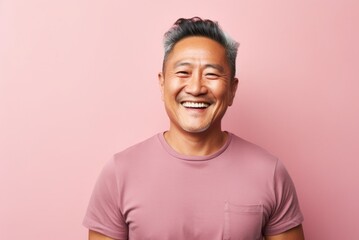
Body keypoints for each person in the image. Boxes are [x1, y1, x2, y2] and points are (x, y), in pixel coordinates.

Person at [83, 17, 305, 240]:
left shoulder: (269, 172)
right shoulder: (120, 173)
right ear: (162, 84)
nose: (196, 88)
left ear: (232, 90)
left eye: (211, 74)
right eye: (183, 72)